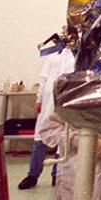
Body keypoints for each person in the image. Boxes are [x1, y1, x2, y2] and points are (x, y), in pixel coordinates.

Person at [19, 29, 76, 190]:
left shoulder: (77, 55)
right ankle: (33, 175)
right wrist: (38, 99)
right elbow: (43, 78)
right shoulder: (53, 55)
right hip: (47, 101)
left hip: (65, 102)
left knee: (63, 139)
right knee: (40, 139)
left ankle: (57, 175)